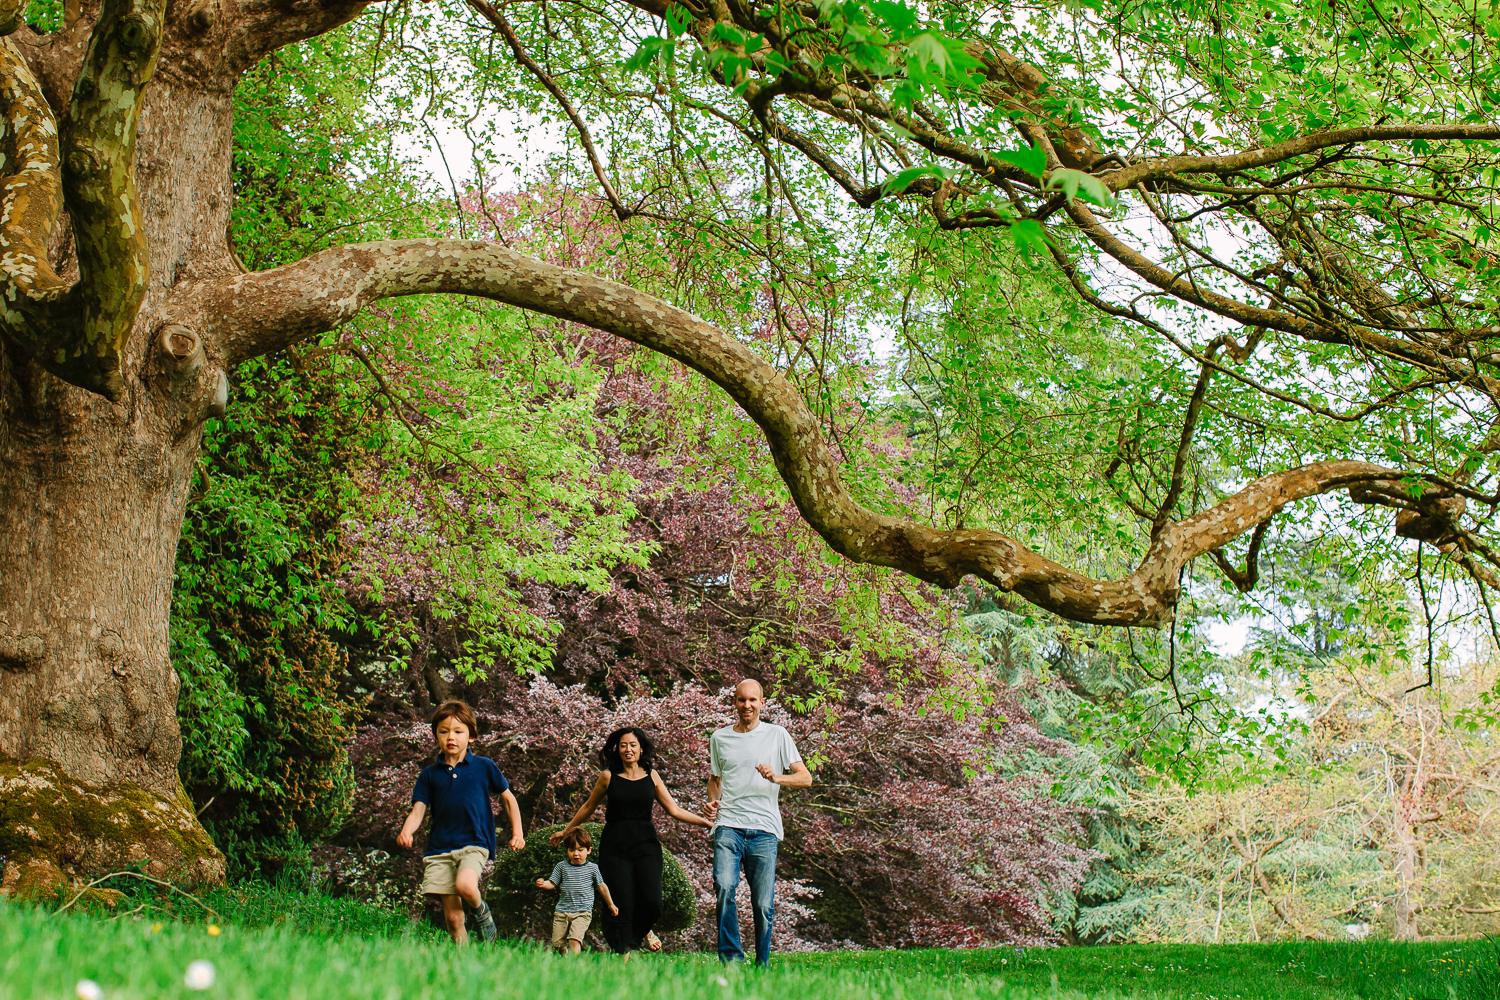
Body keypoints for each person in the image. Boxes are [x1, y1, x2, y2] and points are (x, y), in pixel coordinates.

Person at [551, 726, 712, 958]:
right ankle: (625, 954)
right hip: (615, 846)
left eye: (633, 745)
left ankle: (640, 935)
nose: (628, 749)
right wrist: (565, 831)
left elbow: (674, 810)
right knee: (622, 903)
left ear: (641, 748)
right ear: (617, 749)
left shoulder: (651, 775)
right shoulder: (608, 776)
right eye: (623, 745)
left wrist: (704, 822)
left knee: (653, 900)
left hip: (646, 844)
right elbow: (588, 807)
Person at [396, 699, 525, 945]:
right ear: (436, 736)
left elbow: (509, 799)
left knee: (466, 886)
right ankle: (462, 966)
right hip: (439, 849)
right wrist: (407, 831)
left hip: (474, 842)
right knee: (453, 920)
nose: (451, 737)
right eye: (444, 732)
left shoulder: (484, 767)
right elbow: (418, 810)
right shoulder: (429, 775)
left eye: (458, 731)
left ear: (471, 737)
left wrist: (517, 832)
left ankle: (483, 914)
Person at [704, 679, 811, 967]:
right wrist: (714, 802)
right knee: (724, 886)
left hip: (764, 829)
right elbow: (715, 781)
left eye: (753, 700)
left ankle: (761, 966)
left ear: (762, 703)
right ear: (735, 702)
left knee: (763, 904)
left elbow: (805, 777)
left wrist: (777, 777)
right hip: (728, 825)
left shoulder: (777, 735)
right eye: (741, 700)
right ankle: (732, 960)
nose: (747, 705)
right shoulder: (720, 738)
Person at [535, 827, 619, 954]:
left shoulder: (592, 869)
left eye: (580, 850)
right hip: (562, 911)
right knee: (557, 944)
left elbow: (601, 887)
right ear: (567, 850)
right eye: (572, 850)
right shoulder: (561, 867)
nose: (576, 854)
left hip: (582, 912)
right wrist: (543, 884)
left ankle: (575, 967)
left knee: (574, 940)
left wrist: (611, 904)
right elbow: (552, 883)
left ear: (588, 850)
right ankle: (565, 958)